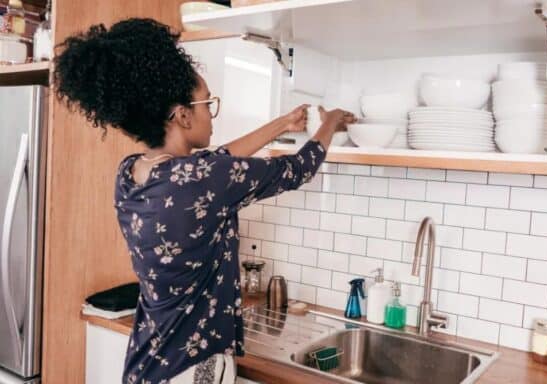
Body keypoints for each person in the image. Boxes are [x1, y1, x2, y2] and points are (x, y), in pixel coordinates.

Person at [53, 18, 355, 384]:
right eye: (207, 104)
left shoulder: (131, 172)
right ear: (182, 114)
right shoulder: (203, 180)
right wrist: (330, 124)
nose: (212, 113)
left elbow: (215, 164)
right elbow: (297, 169)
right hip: (193, 367)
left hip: (149, 360)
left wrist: (282, 123)